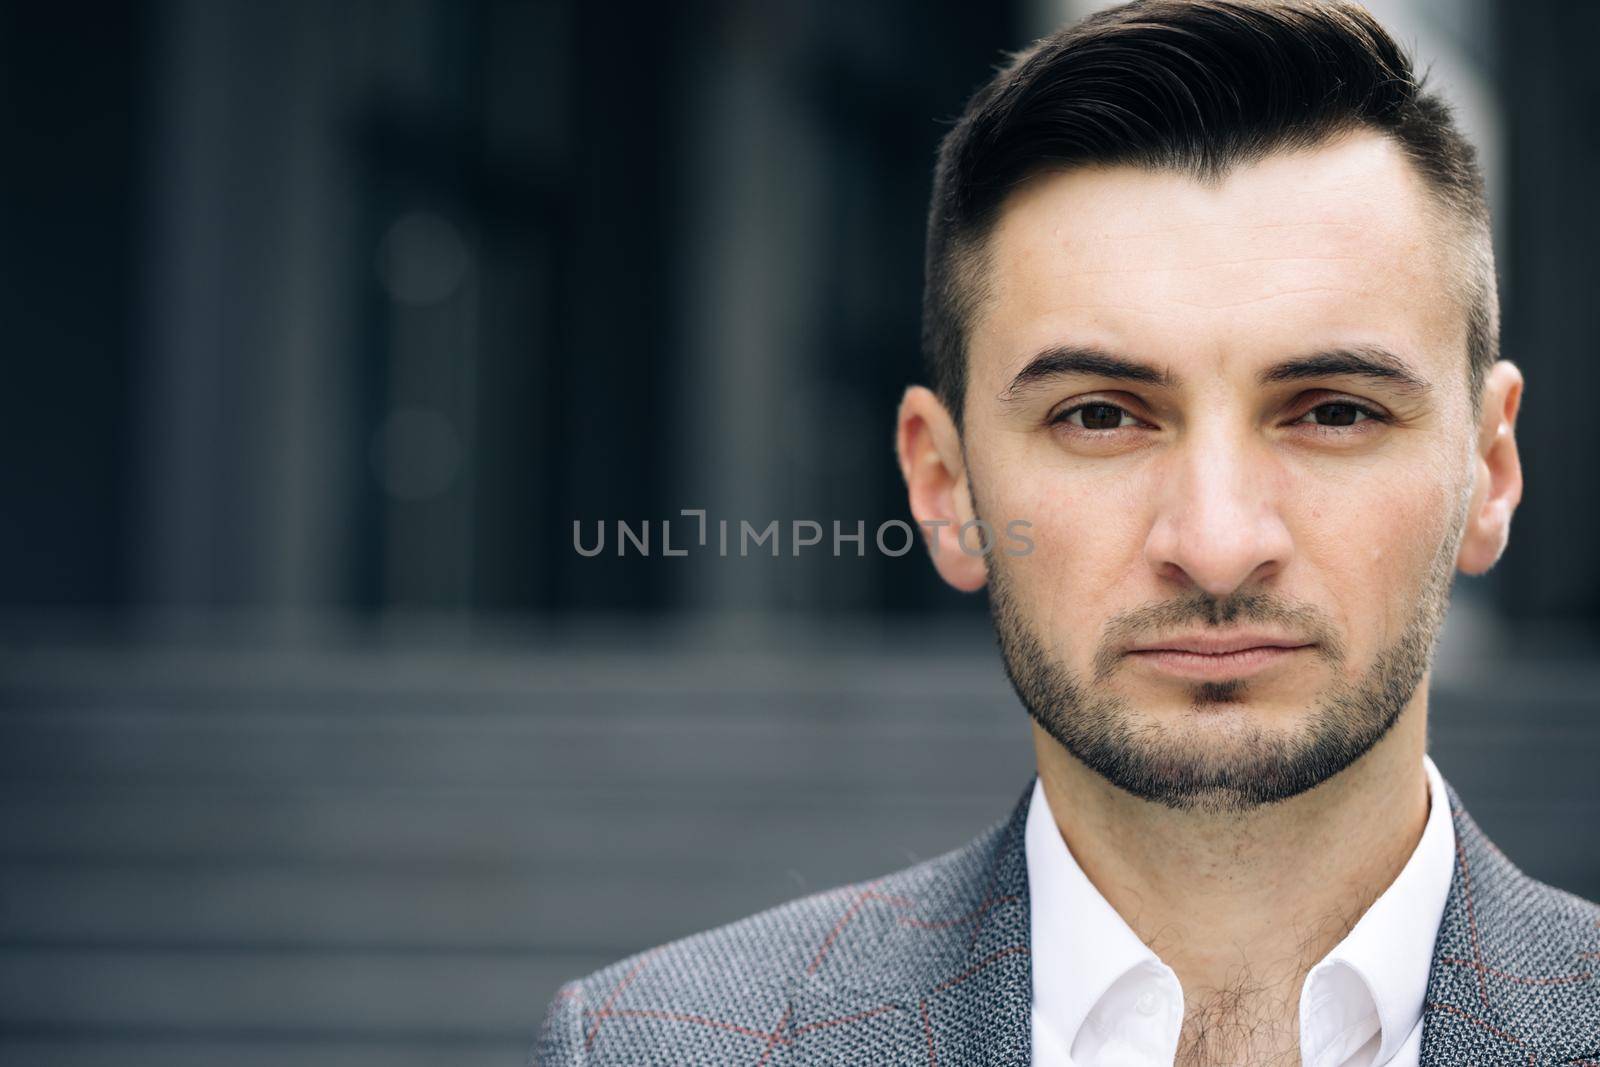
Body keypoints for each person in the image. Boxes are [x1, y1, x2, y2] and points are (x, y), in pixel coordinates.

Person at [533, 2, 1600, 1063]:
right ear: (944, 486)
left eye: (1331, 410)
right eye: (1099, 414)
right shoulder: (650, 1045)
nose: (1217, 542)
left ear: (1489, 469)